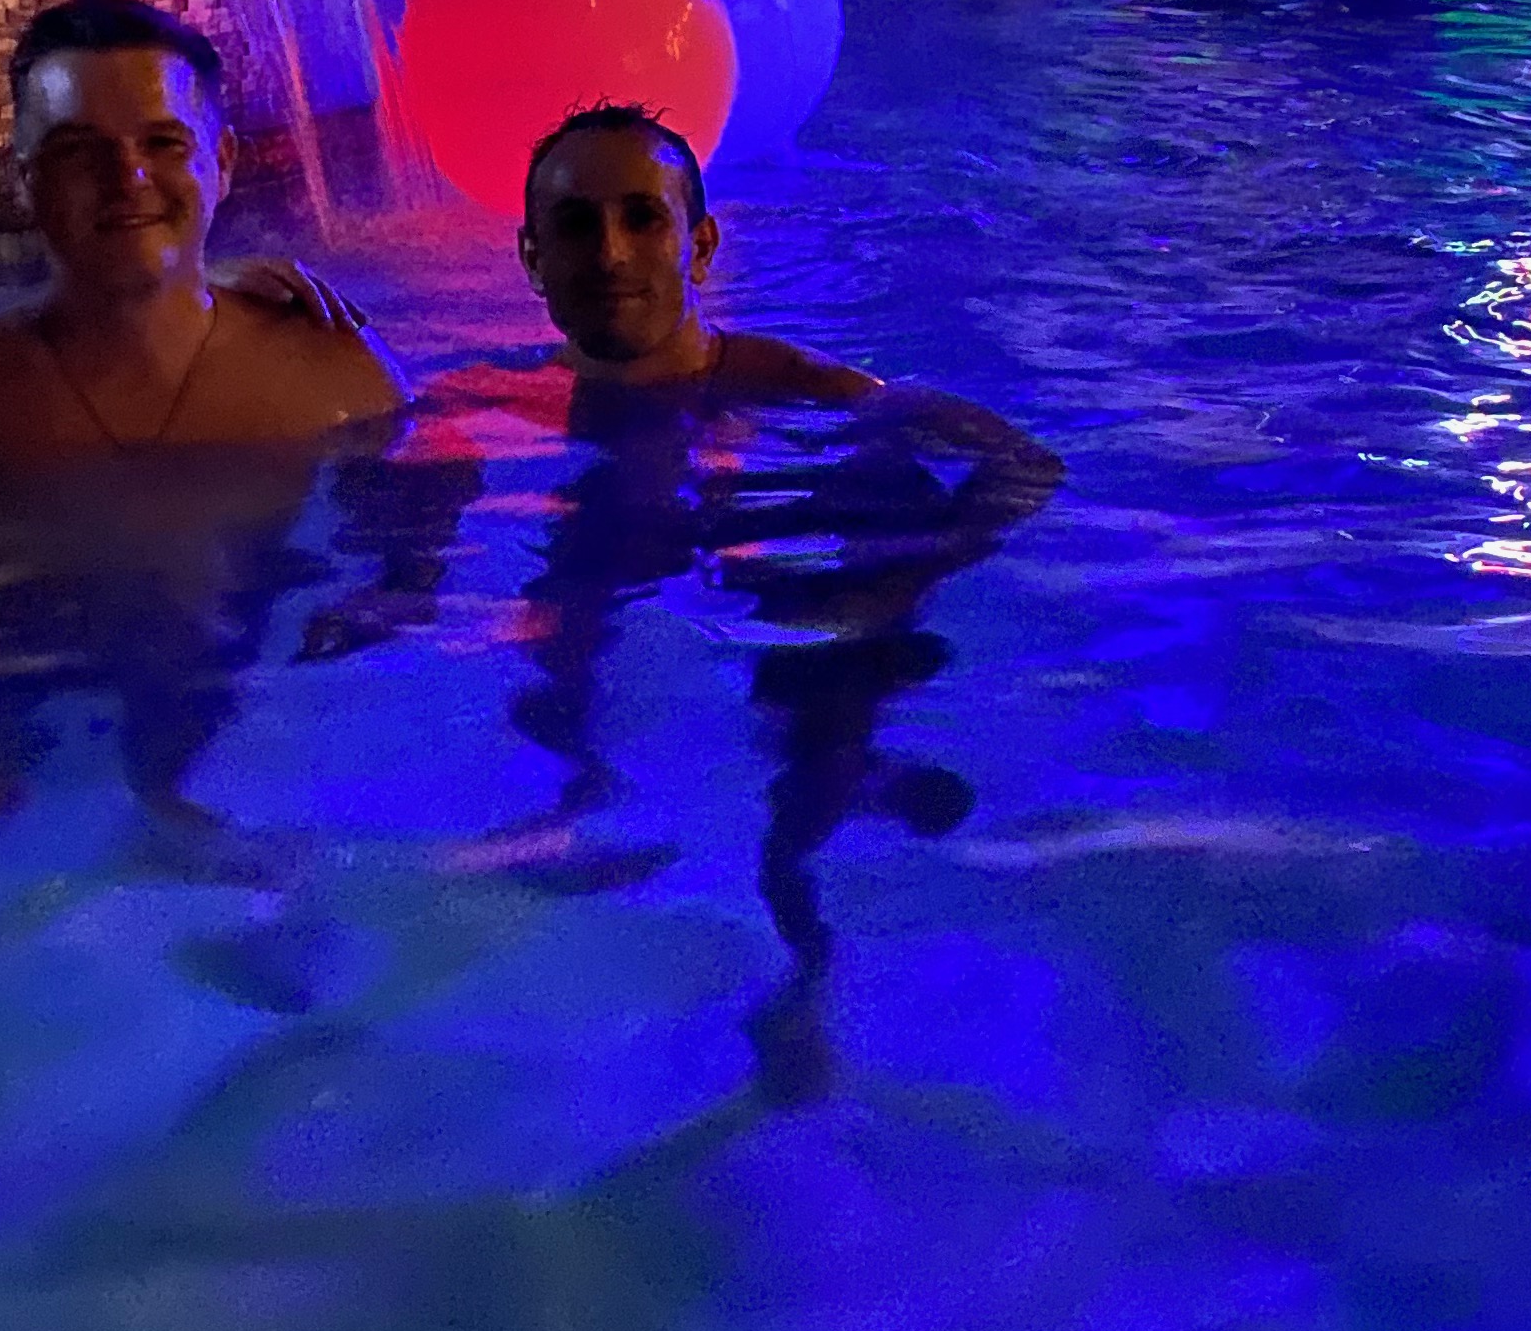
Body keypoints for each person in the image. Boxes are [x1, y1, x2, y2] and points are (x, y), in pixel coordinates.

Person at [434, 104, 1061, 1091]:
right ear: (530, 256)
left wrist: (903, 578)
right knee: (567, 594)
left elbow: (1023, 466)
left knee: (815, 658)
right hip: (644, 563)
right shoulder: (488, 397)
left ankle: (805, 951)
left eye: (643, 217)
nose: (610, 252)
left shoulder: (800, 386)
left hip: (790, 586)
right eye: (576, 224)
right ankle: (579, 796)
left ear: (700, 243)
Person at [0, 0, 400, 472]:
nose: (128, 177)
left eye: (162, 143)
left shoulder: (339, 373)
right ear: (24, 180)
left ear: (222, 162)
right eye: (78, 150)